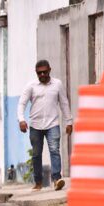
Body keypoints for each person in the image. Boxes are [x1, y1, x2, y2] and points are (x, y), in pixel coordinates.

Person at [18, 60, 73, 191]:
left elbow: (64, 103)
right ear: (36, 72)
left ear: (50, 70)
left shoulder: (57, 84)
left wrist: (69, 121)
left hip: (52, 124)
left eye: (45, 72)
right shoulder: (31, 86)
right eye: (39, 72)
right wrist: (21, 120)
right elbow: (22, 103)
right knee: (36, 154)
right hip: (35, 125)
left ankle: (56, 179)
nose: (42, 74)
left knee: (54, 150)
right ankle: (38, 182)